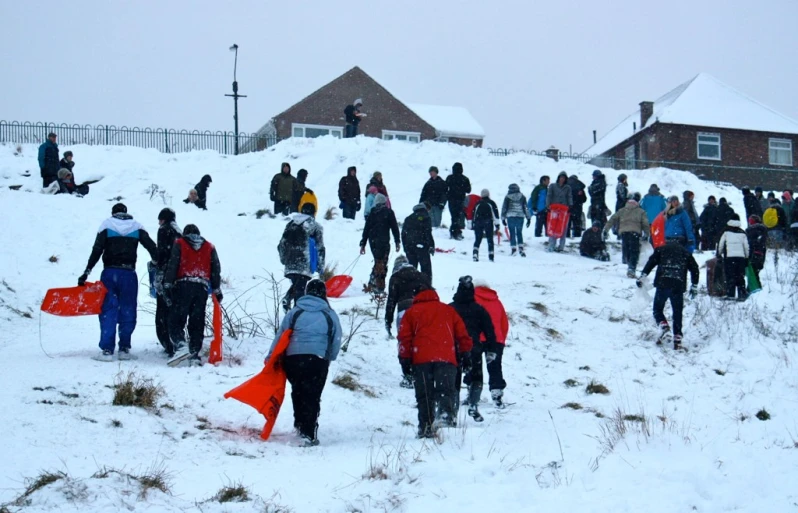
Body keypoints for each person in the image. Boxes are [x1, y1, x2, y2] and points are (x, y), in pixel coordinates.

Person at [78, 203, 158, 361]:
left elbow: (97, 250)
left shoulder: (106, 225)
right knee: (128, 309)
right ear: (126, 212)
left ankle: (107, 350)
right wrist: (158, 262)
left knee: (108, 309)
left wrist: (86, 272)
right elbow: (151, 247)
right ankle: (124, 349)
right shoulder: (136, 226)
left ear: (113, 213)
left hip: (109, 273)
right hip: (129, 274)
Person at [267, 279, 342, 446]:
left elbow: (281, 335)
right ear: (324, 293)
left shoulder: (295, 312)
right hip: (317, 359)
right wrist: (330, 356)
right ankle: (309, 431)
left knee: (298, 391)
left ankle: (300, 425)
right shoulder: (329, 313)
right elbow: (336, 338)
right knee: (313, 395)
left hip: (294, 359)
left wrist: (270, 356)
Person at [397, 285, 472, 438]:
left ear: (416, 296)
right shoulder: (448, 311)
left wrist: (404, 359)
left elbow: (404, 338)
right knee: (446, 391)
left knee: (424, 395)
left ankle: (425, 427)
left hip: (420, 361)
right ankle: (446, 422)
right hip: (446, 359)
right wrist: (466, 354)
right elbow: (463, 335)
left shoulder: (411, 313)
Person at [164, 224, 223, 366]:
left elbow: (173, 264)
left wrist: (168, 284)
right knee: (197, 322)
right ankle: (195, 354)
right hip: (201, 288)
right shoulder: (209, 247)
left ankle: (181, 345)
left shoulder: (180, 243)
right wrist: (216, 289)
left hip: (183, 285)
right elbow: (215, 269)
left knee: (176, 320)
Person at [637, 237, 699, 351]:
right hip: (678, 285)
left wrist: (643, 276)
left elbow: (651, 262)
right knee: (677, 311)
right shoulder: (685, 252)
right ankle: (677, 338)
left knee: (657, 309)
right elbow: (695, 269)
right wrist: (694, 285)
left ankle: (663, 324)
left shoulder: (662, 249)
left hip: (663, 282)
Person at [449, 276, 497, 422]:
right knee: (477, 377)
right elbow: (490, 330)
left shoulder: (450, 308)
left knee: (454, 381)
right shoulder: (479, 309)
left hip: (454, 350)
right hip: (474, 348)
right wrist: (491, 349)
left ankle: (453, 410)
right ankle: (474, 404)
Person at [385, 255, 431, 388]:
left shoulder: (396, 277)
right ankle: (422, 373)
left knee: (405, 341)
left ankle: (408, 375)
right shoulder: (422, 276)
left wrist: (388, 321)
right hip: (422, 311)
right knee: (421, 341)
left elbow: (391, 301)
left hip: (404, 310)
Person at [279, 203, 326, 311]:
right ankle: (297, 310)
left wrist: (284, 259)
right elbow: (320, 247)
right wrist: (320, 265)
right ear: (314, 212)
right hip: (304, 260)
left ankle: (289, 300)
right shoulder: (314, 226)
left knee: (297, 284)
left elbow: (282, 243)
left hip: (290, 260)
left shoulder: (291, 224)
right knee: (300, 288)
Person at [473, 279, 509, 408]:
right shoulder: (497, 302)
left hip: (477, 339)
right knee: (495, 367)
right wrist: (501, 339)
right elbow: (504, 322)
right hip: (495, 340)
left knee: (475, 367)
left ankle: (473, 395)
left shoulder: (472, 299)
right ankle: (497, 393)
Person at [153, 208, 181, 356]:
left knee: (162, 313)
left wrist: (155, 262)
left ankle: (167, 344)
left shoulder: (164, 230)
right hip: (178, 278)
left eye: (160, 219)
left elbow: (162, 253)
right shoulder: (180, 233)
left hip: (165, 277)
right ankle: (177, 341)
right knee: (174, 312)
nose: (159, 223)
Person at [360, 194, 400, 294]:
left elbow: (366, 229)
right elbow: (394, 227)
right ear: (384, 202)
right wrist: (397, 241)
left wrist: (363, 243)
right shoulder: (389, 212)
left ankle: (373, 283)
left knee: (379, 262)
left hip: (373, 242)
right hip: (384, 242)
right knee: (382, 264)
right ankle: (378, 286)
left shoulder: (372, 213)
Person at [604, 197, 650, 277]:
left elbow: (612, 219)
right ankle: (631, 268)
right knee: (634, 251)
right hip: (635, 233)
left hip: (624, 233)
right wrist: (646, 233)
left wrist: (606, 229)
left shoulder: (622, 210)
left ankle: (629, 263)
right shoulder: (641, 211)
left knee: (626, 249)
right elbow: (645, 223)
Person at [716, 214, 749, 301]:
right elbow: (746, 247)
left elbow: (721, 244)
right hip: (740, 258)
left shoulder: (726, 231)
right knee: (740, 276)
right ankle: (742, 293)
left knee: (730, 276)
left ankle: (730, 294)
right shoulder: (742, 232)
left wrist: (719, 253)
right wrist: (746, 257)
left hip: (729, 257)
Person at [401, 204, 435, 280]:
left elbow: (403, 234)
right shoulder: (426, 217)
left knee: (411, 268)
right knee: (426, 269)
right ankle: (427, 286)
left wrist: (405, 247)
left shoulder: (408, 218)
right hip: (422, 246)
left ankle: (411, 285)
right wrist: (431, 245)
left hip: (410, 246)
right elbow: (428, 233)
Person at [501, 183, 531, 257]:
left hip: (510, 216)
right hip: (520, 216)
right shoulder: (522, 197)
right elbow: (525, 208)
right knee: (519, 232)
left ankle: (513, 248)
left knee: (512, 233)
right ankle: (521, 248)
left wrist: (503, 218)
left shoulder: (507, 197)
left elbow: (504, 208)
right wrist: (528, 218)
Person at [546, 171, 572, 252]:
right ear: (558, 178)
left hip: (564, 210)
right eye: (561, 177)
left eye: (564, 178)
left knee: (563, 228)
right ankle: (551, 245)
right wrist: (548, 205)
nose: (562, 179)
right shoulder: (552, 186)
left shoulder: (568, 188)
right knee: (553, 227)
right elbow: (549, 195)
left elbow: (569, 197)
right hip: (554, 209)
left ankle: (561, 247)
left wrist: (570, 206)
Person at [445, 162, 471, 240]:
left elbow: (445, 188)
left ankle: (454, 231)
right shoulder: (465, 179)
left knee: (454, 216)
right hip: (460, 199)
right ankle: (456, 232)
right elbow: (468, 190)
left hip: (451, 200)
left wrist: (448, 195)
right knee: (457, 216)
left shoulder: (450, 178)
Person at [472, 189, 499, 262]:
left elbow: (473, 214)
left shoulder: (478, 203)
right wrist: (497, 225)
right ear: (488, 194)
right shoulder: (491, 203)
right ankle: (491, 256)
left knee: (477, 239)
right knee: (490, 239)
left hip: (478, 222)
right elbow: (495, 214)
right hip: (488, 222)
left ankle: (475, 253)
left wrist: (473, 223)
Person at [746, 215, 768, 284]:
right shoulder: (763, 229)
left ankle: (755, 287)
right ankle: (755, 287)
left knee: (753, 272)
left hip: (752, 252)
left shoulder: (749, 230)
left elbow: (748, 243)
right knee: (756, 271)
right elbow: (763, 242)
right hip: (761, 252)